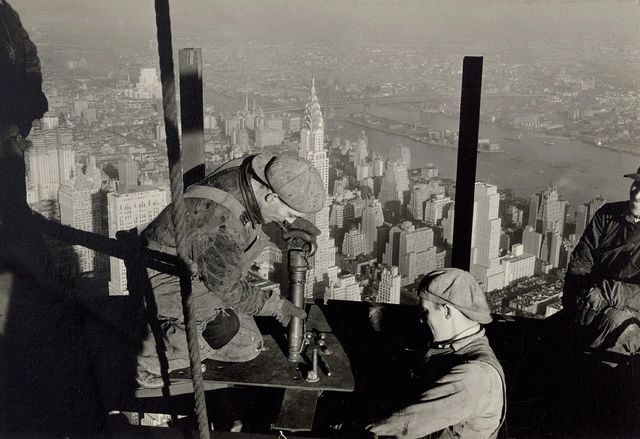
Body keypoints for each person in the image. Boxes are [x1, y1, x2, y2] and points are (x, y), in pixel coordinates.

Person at [136, 152, 325, 388]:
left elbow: (250, 221)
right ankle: (151, 358)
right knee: (231, 337)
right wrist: (275, 305)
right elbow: (228, 288)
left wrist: (286, 231)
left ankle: (178, 330)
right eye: (289, 215)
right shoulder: (220, 221)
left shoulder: (247, 173)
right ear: (271, 196)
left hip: (195, 264)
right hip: (163, 278)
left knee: (250, 341)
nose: (289, 221)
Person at [367, 268, 506, 439]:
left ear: (447, 311)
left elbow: (406, 425)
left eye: (425, 312)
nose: (422, 319)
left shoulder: (475, 376)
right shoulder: (461, 346)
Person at [562, 167, 640, 360]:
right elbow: (581, 261)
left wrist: (608, 293)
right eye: (637, 184)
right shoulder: (607, 214)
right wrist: (580, 297)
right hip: (590, 299)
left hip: (627, 309)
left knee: (614, 323)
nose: (637, 194)